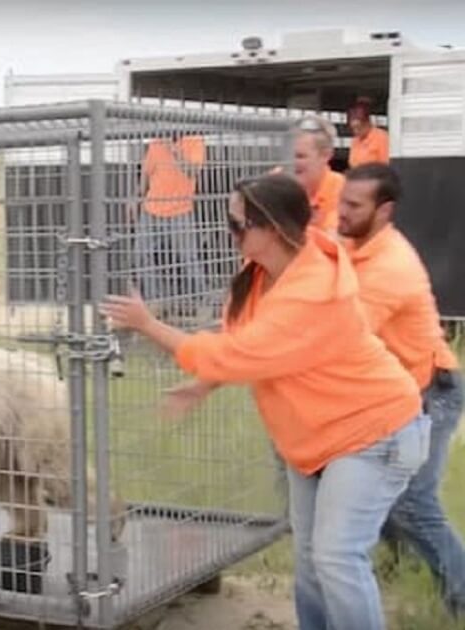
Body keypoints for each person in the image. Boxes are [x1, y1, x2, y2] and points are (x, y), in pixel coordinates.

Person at [101, 173, 429, 630]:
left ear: (271, 229)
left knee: (336, 557)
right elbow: (245, 347)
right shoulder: (263, 274)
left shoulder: (310, 294)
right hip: (316, 438)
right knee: (311, 559)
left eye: (236, 225)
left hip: (373, 432)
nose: (228, 233)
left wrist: (147, 323)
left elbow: (232, 353)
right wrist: (202, 385)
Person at [338, 162, 465, 617]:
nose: (342, 212)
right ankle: (392, 570)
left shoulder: (389, 265)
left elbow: (346, 337)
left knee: (414, 501)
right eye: (342, 201)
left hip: (433, 391)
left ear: (384, 210)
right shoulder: (355, 244)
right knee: (382, 489)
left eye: (354, 205)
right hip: (399, 392)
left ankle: (462, 595)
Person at [135, 132, 207, 317]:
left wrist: (173, 149)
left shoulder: (195, 140)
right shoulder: (156, 141)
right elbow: (146, 173)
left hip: (180, 209)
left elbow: (193, 171)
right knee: (141, 255)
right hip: (151, 208)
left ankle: (200, 301)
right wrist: (136, 199)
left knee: (188, 258)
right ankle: (155, 301)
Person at [292, 115, 345, 234]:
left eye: (300, 156)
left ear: (326, 155)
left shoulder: (343, 191)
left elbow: (333, 242)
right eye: (287, 155)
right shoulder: (276, 182)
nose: (291, 163)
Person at [348, 99, 390, 168]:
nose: (356, 132)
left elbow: (386, 166)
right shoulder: (355, 141)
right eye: (353, 129)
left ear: (367, 122)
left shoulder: (382, 138)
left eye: (358, 127)